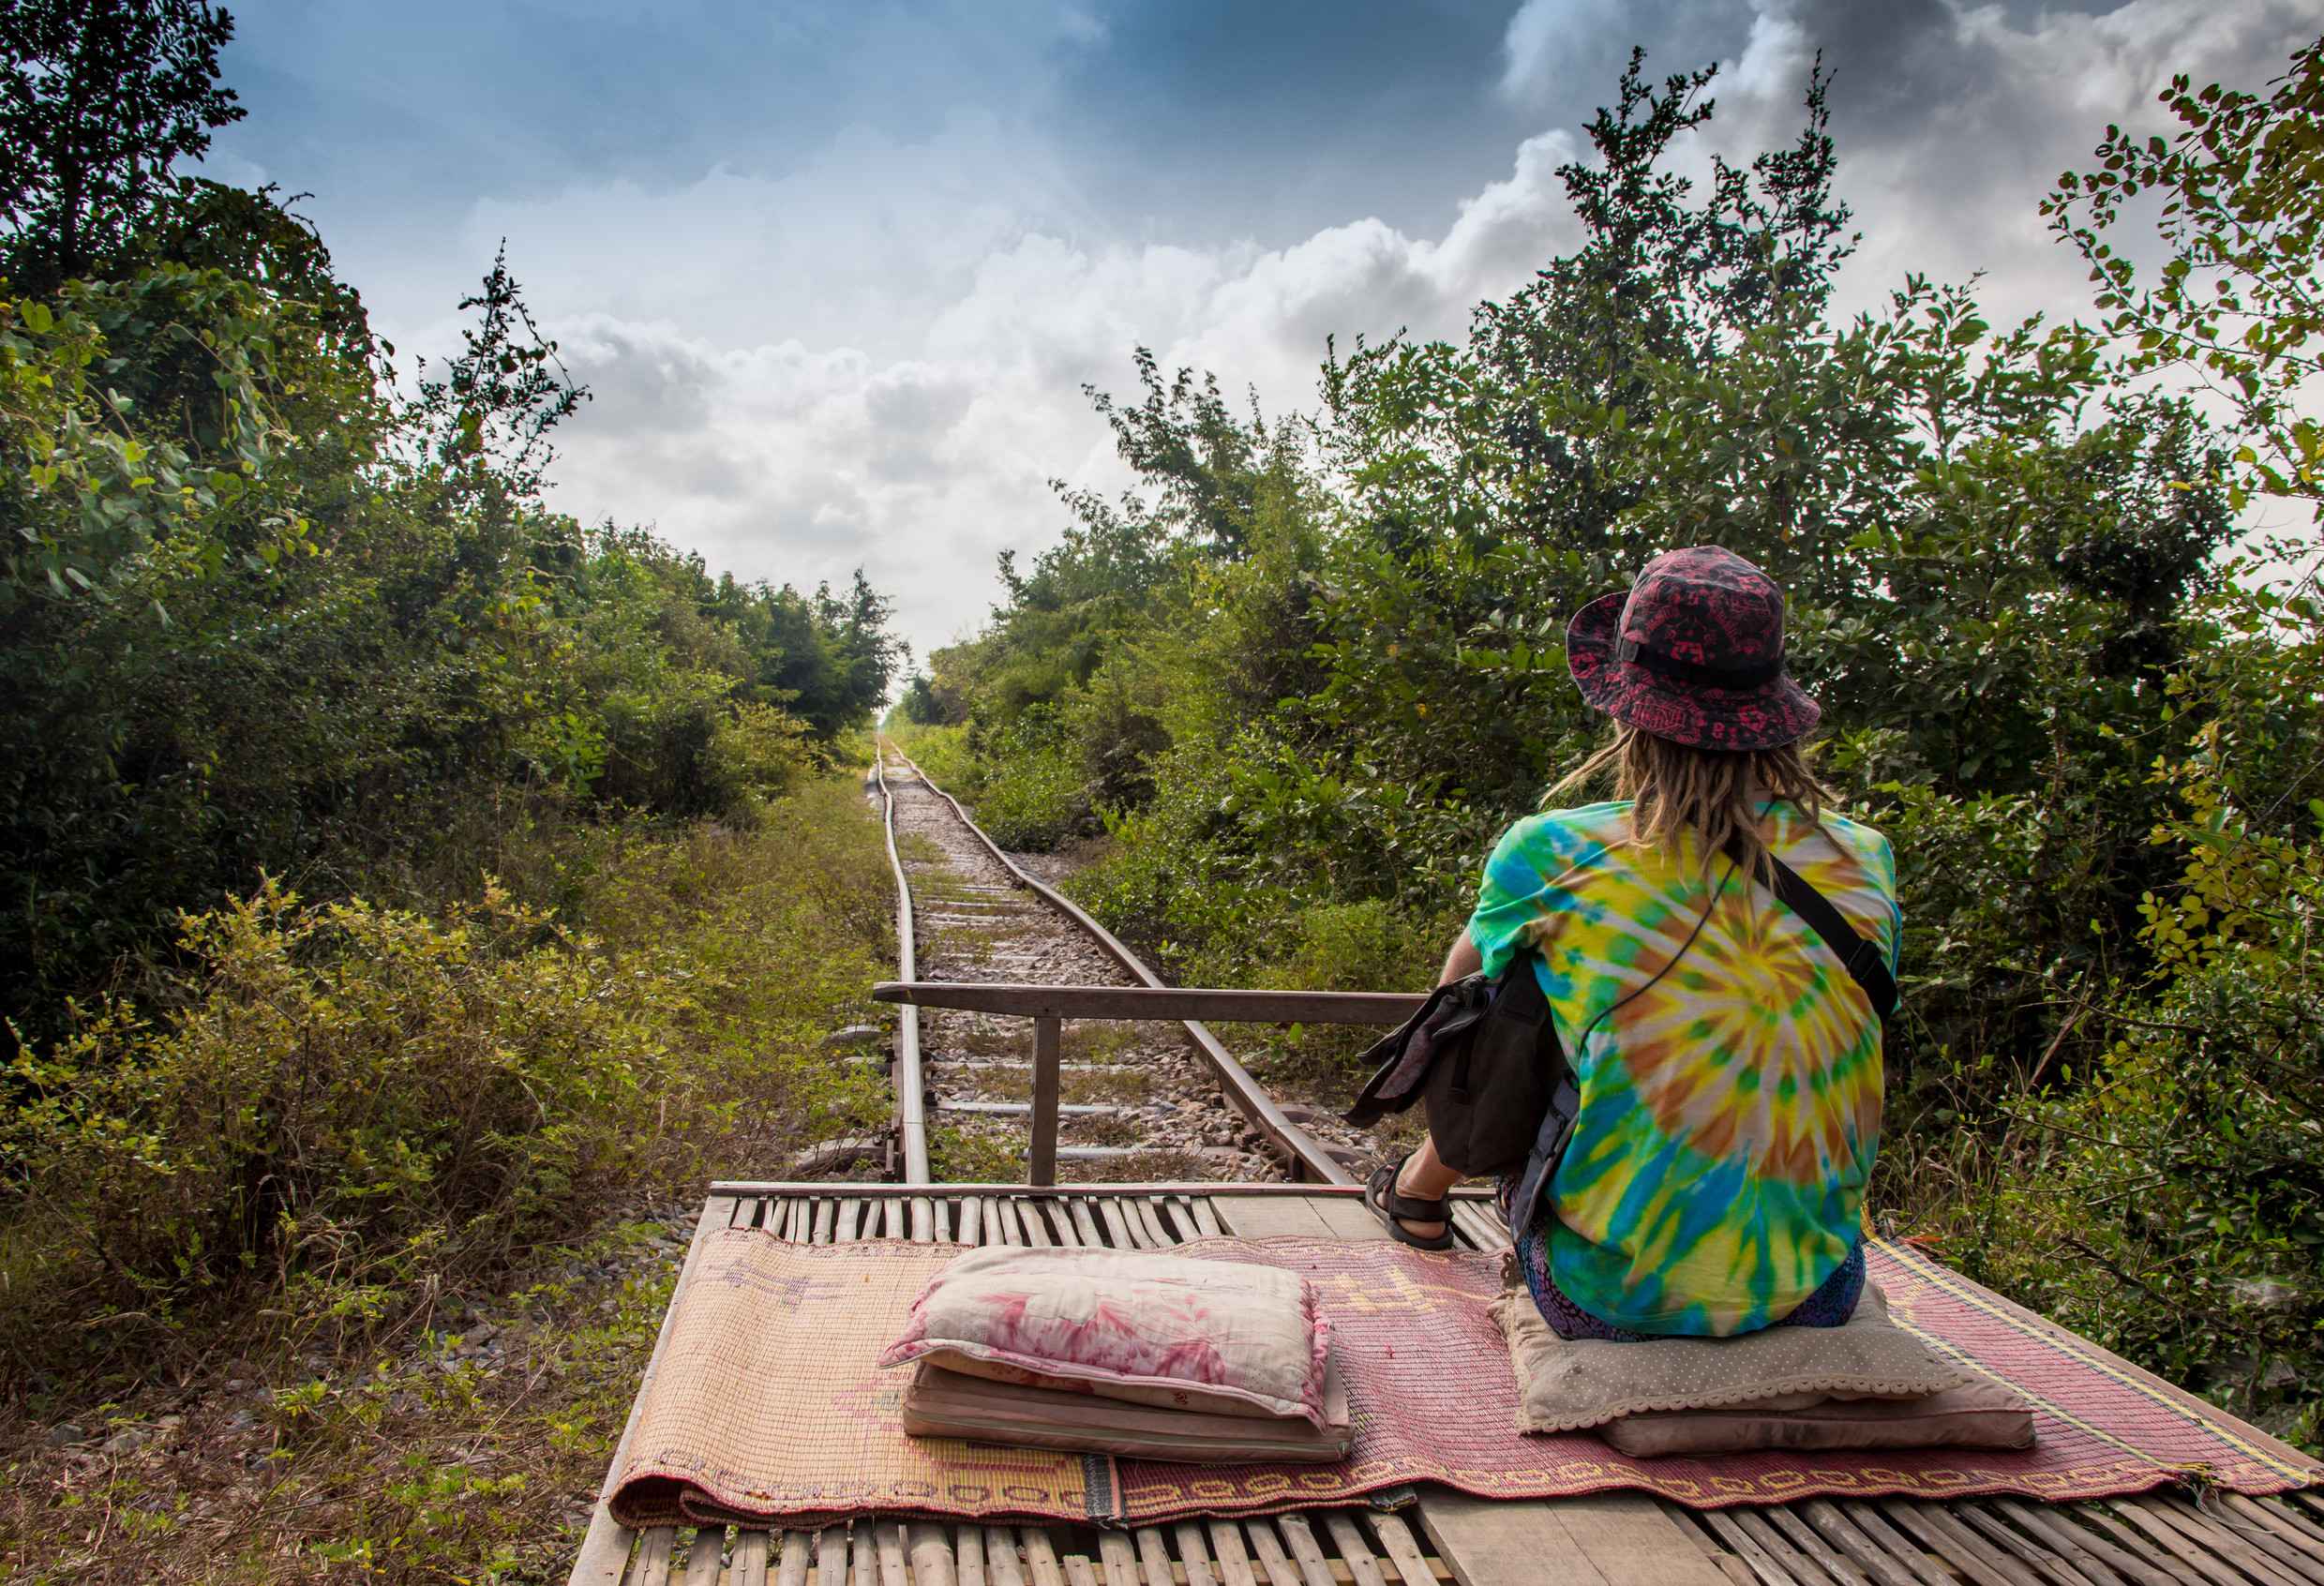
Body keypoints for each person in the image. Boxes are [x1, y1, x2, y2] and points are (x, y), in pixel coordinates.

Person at [1364, 546, 1900, 1341]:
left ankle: (1421, 1186)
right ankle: (1422, 1183)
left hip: (1608, 1300)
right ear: (1771, 708)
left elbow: (1454, 1011)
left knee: (1502, 986)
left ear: (1627, 710)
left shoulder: (1553, 853)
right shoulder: (1864, 856)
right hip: (1816, 1293)